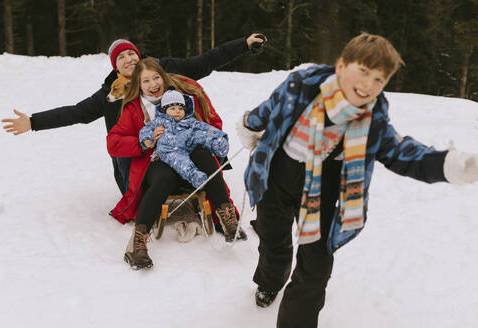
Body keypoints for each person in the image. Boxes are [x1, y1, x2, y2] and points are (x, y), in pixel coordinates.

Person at [235, 32, 478, 327]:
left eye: (379, 80)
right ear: (341, 66)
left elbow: (403, 153)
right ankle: (270, 280)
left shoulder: (372, 118)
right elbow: (271, 108)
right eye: (363, 72)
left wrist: (452, 165)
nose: (368, 85)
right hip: (277, 173)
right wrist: (249, 124)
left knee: (316, 269)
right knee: (274, 239)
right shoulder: (303, 85)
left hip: (323, 188)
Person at [1, 33, 267, 195]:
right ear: (115, 66)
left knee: (197, 152)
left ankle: (216, 205)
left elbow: (205, 61)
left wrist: (243, 45)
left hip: (180, 147)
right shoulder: (111, 94)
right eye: (121, 58)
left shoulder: (164, 70)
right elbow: (76, 113)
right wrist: (34, 121)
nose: (128, 59)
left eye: (131, 53)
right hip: (141, 158)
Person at [107, 58, 245, 270]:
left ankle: (226, 218)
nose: (153, 85)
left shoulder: (185, 98)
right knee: (164, 177)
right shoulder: (134, 108)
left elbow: (212, 123)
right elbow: (114, 143)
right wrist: (146, 141)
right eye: (145, 81)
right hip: (160, 161)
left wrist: (202, 137)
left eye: (156, 78)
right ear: (138, 84)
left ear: (163, 77)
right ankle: (138, 244)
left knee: (205, 156)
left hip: (192, 158)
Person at [139, 89, 229, 189]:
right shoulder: (159, 121)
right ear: (164, 111)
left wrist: (217, 134)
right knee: (182, 162)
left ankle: (217, 144)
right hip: (169, 150)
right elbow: (146, 130)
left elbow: (204, 127)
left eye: (180, 108)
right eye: (173, 108)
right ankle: (194, 176)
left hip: (188, 145)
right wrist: (148, 139)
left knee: (199, 134)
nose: (177, 111)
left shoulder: (189, 121)